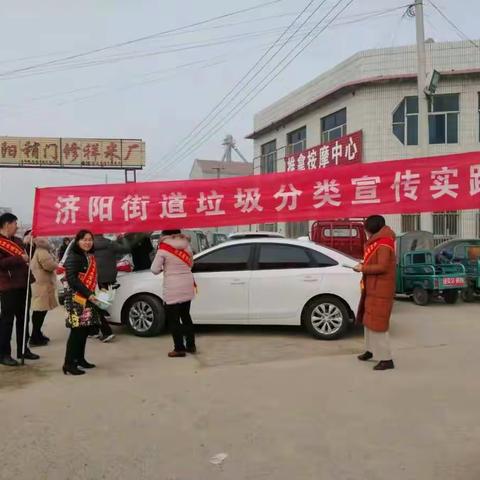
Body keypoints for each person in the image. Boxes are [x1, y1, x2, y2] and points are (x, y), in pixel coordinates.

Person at [354, 215, 396, 371]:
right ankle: (371, 350)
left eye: (366, 229)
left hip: (381, 289)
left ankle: (386, 359)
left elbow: (382, 267)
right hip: (373, 287)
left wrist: (362, 268)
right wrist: (363, 265)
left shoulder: (385, 243)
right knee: (369, 321)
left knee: (379, 324)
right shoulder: (377, 241)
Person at [0, 213, 40, 366]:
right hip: (8, 287)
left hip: (24, 284)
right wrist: (19, 258)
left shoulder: (17, 241)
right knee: (7, 321)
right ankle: (4, 354)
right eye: (15, 223)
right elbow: (2, 263)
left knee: (24, 319)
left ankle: (23, 349)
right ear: (6, 224)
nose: (17, 226)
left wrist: (30, 244)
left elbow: (28, 256)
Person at [151, 230, 196, 358]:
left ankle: (179, 349)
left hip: (172, 287)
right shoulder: (187, 245)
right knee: (186, 316)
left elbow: (154, 269)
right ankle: (191, 345)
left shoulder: (163, 248)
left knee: (174, 320)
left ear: (164, 235)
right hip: (187, 285)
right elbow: (191, 264)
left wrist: (163, 268)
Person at [63, 230, 101, 375]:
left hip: (86, 297)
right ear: (77, 241)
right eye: (84, 240)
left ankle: (80, 359)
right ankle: (68, 363)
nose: (87, 242)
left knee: (84, 330)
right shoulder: (73, 257)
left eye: (90, 239)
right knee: (76, 331)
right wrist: (88, 294)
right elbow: (72, 279)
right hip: (76, 299)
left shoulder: (88, 256)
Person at [92, 234, 130, 342]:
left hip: (94, 280)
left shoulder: (88, 246)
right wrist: (122, 238)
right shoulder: (110, 244)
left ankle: (104, 331)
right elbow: (127, 249)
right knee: (100, 303)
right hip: (109, 278)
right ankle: (94, 330)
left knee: (96, 305)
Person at [30, 237, 58, 347]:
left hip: (40, 284)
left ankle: (37, 334)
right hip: (42, 285)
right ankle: (35, 336)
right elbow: (49, 265)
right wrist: (56, 262)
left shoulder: (38, 251)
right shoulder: (42, 251)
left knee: (40, 311)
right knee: (40, 312)